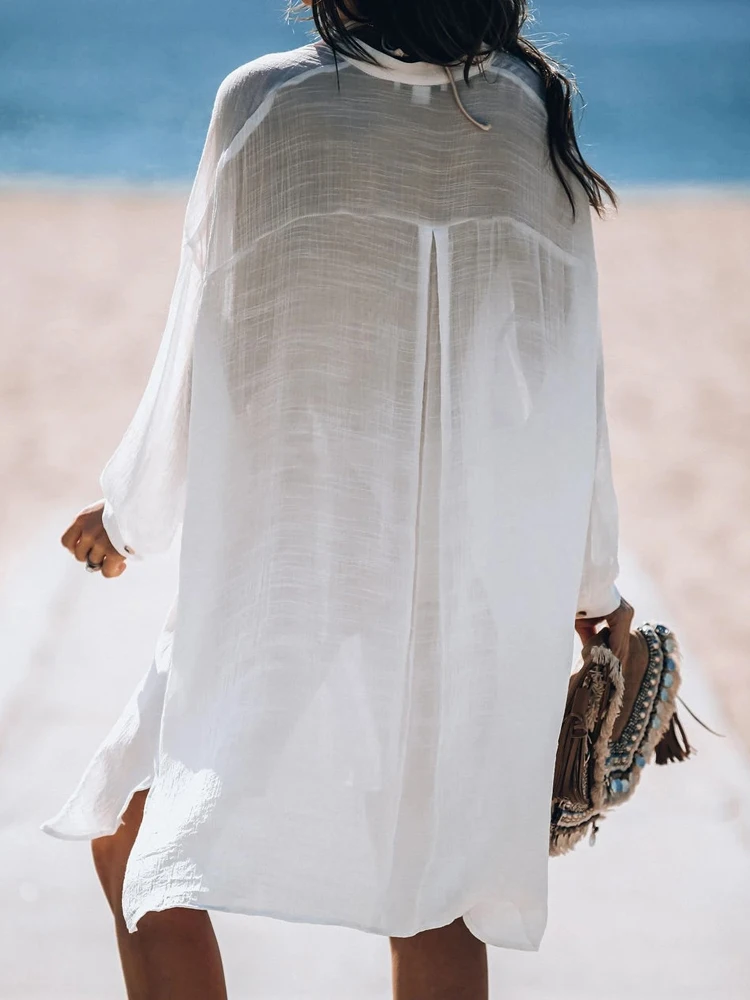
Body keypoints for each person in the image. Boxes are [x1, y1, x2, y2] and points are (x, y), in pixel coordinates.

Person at [44, 0, 635, 996]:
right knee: (435, 899)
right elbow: (572, 384)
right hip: (464, 577)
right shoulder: (530, 118)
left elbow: (204, 341)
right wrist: (594, 584)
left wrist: (130, 511)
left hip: (295, 559)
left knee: (135, 840)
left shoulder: (267, 107)